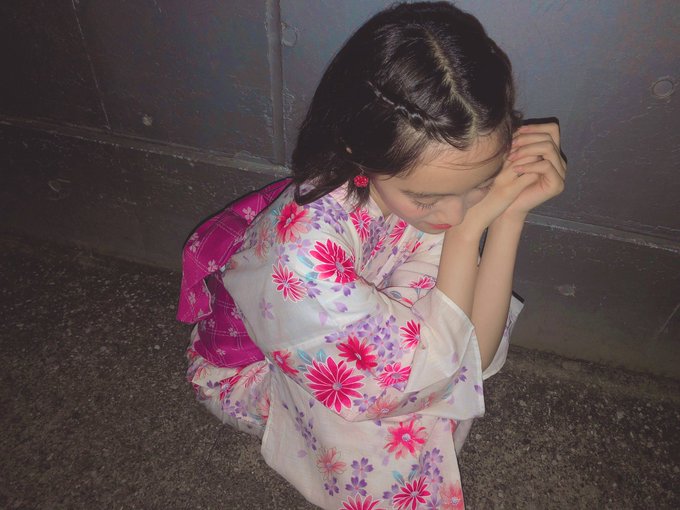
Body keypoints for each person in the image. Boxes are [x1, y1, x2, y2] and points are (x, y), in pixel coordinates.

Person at [178, 2, 566, 509]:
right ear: (359, 154)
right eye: (426, 198)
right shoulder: (301, 260)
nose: (454, 214)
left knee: (429, 371)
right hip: (252, 372)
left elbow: (471, 352)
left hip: (358, 330)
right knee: (380, 431)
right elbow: (436, 372)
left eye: (480, 184)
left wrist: (510, 215)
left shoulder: (424, 183)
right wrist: (471, 231)